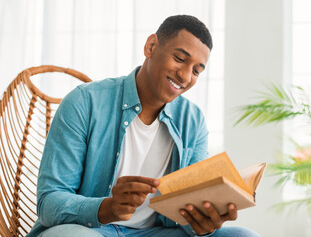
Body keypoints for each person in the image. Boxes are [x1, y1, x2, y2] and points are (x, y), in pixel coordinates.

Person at [27, 15, 261, 237]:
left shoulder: (192, 120)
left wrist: (205, 223)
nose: (185, 76)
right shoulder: (84, 102)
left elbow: (188, 214)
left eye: (197, 70)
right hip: (90, 230)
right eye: (180, 59)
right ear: (151, 47)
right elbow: (49, 202)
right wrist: (108, 208)